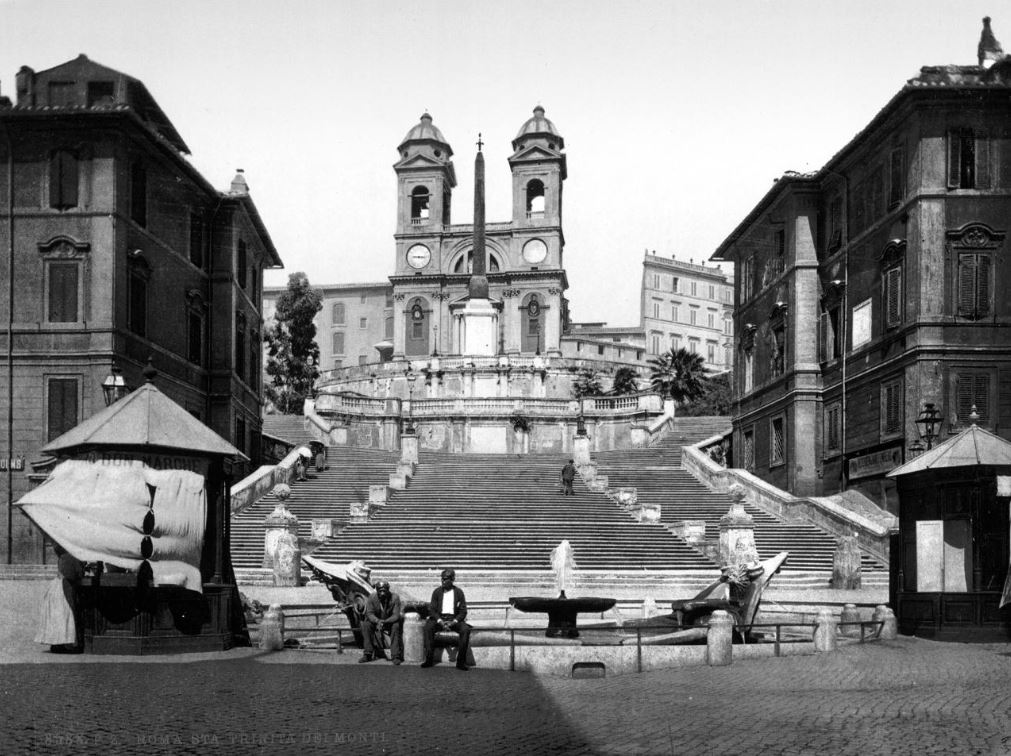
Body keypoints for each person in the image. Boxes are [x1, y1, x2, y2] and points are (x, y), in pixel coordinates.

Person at [35, 543, 84, 653]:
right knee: (66, 615)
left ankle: (57, 643)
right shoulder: (70, 557)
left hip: (57, 587)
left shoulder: (63, 557)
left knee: (58, 617)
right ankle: (67, 644)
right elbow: (75, 574)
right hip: (64, 589)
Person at [421, 568, 471, 670]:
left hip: (454, 619)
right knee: (428, 628)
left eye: (446, 579)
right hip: (439, 619)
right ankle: (429, 659)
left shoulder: (459, 592)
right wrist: (439, 621)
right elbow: (432, 610)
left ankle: (461, 662)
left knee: (465, 629)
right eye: (442, 579)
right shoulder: (437, 592)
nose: (443, 581)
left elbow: (463, 611)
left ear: (452, 579)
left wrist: (454, 622)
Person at [359, 580, 404, 665]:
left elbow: (396, 615)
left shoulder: (395, 597)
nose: (382, 593)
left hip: (389, 621)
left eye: (384, 590)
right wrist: (377, 621)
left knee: (396, 626)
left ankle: (395, 656)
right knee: (366, 625)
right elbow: (369, 613)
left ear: (388, 590)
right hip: (377, 621)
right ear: (377, 590)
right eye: (380, 590)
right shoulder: (372, 597)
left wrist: (385, 621)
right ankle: (368, 654)